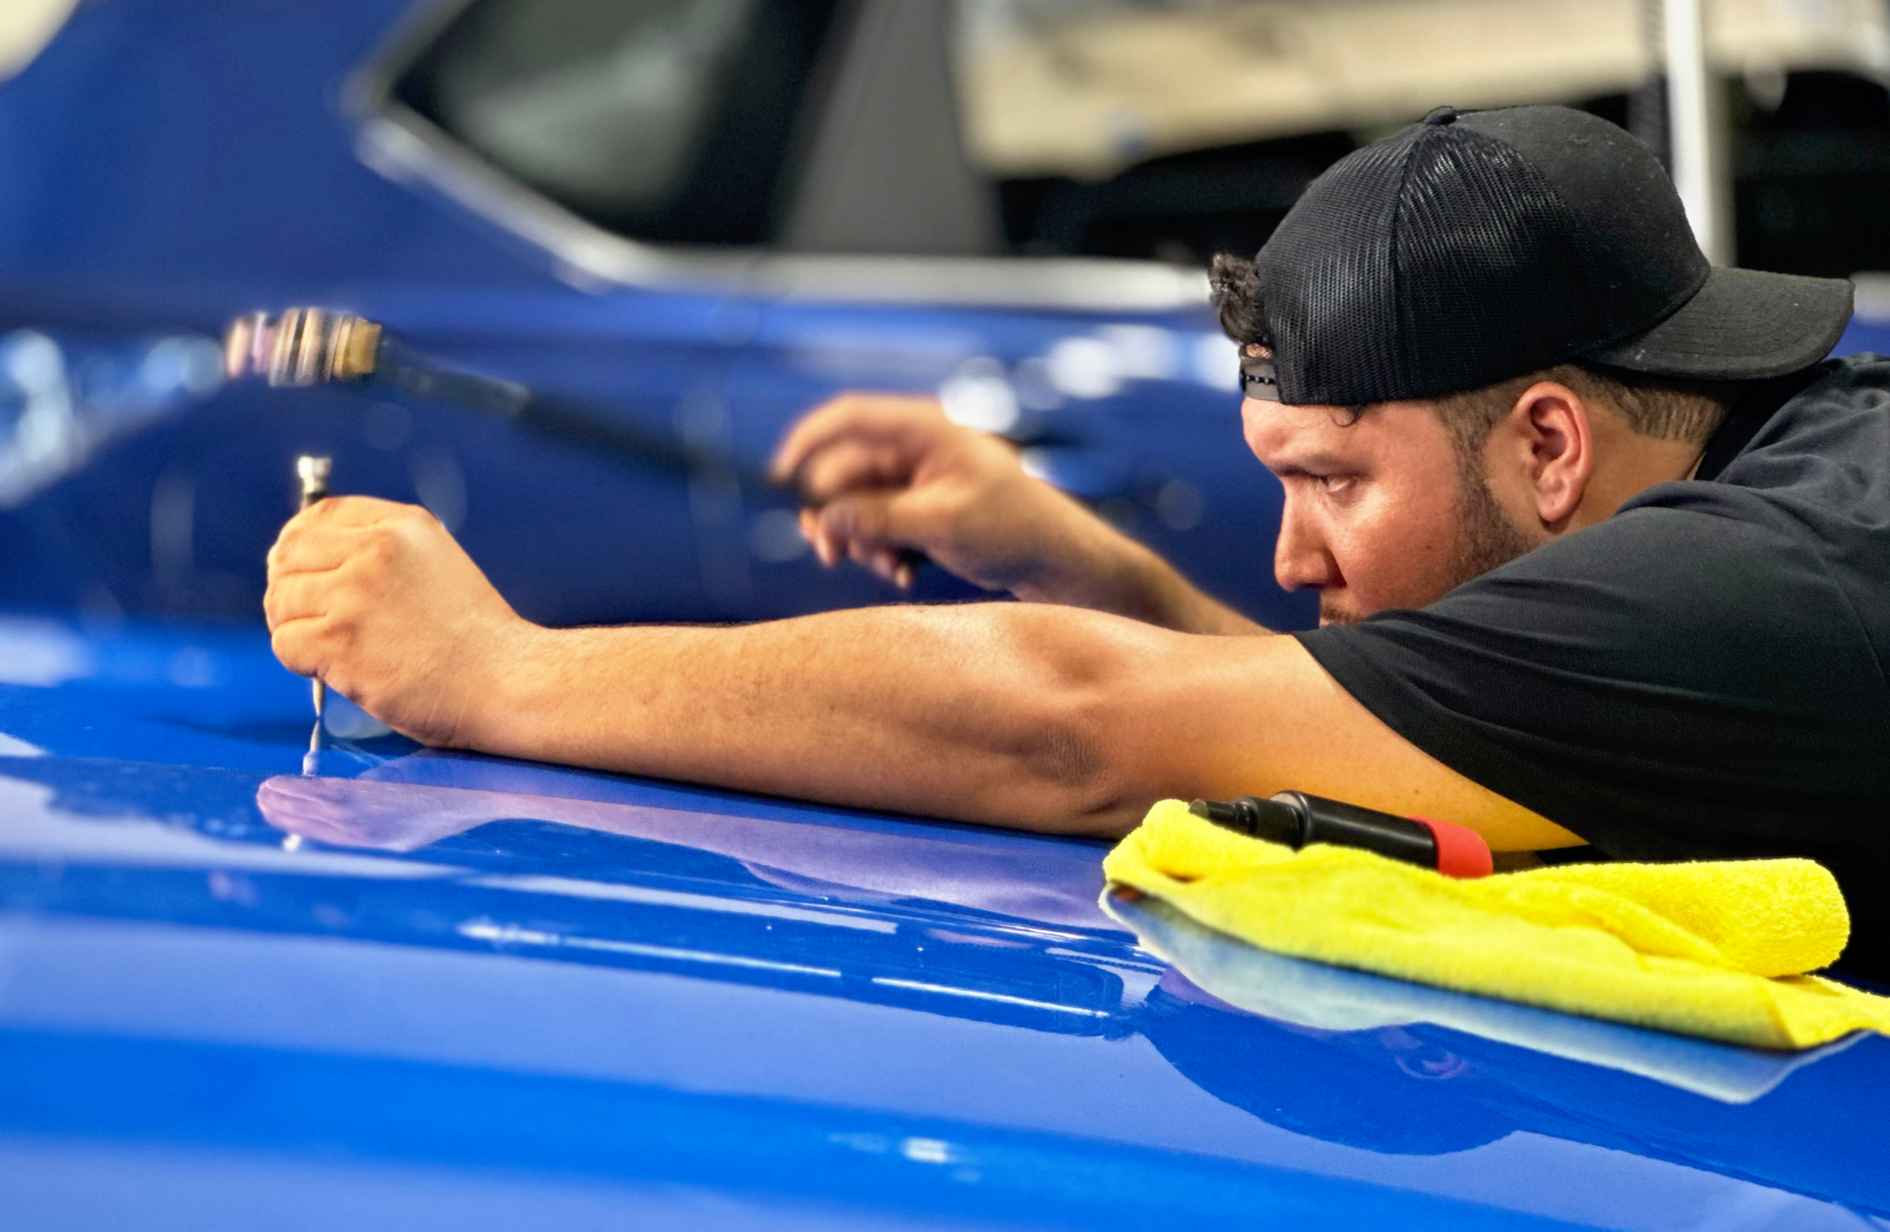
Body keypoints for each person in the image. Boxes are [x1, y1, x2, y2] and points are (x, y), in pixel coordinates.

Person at [263, 106, 1890, 974]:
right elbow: (1382, 733)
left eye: (1333, 482)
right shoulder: (1784, 487)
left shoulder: (1764, 593)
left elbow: (1069, 733)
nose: (1292, 561)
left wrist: (496, 673)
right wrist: (1079, 564)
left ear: (1545, 442)